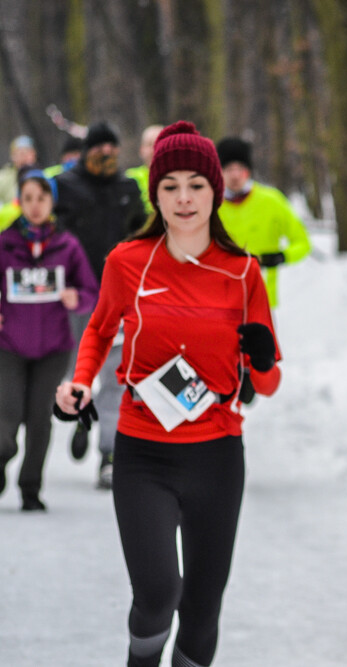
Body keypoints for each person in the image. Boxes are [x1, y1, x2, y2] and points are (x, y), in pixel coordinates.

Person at [54, 120, 281, 667]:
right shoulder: (128, 262)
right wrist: (81, 383)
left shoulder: (242, 272)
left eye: (196, 185)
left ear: (215, 191)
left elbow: (268, 384)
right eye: (170, 185)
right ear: (155, 193)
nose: (184, 198)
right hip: (144, 452)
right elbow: (100, 330)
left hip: (217, 456)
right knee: (157, 596)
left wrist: (263, 356)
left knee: (202, 610)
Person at [54, 121, 148, 487]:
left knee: (115, 379)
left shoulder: (128, 188)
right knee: (79, 373)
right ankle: (82, 417)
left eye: (113, 148)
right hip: (76, 299)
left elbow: (142, 235)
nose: (107, 153)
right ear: (86, 151)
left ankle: (108, 453)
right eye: (100, 148)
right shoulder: (65, 187)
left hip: (119, 298)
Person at [0, 170, 98, 510]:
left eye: (41, 198)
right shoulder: (5, 242)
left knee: (40, 420)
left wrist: (77, 298)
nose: (35, 205)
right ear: (20, 202)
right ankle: (0, 462)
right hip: (9, 346)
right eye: (28, 198)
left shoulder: (67, 245)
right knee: (6, 417)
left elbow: (90, 291)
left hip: (53, 348)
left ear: (51, 201)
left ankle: (30, 488)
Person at [215, 136, 311, 307]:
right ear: (219, 171)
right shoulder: (210, 205)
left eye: (241, 168)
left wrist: (281, 257)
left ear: (249, 171)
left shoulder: (271, 200)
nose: (235, 175)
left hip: (263, 303)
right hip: (220, 303)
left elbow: (303, 243)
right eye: (229, 168)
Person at [126, 124, 164, 215]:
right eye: (150, 144)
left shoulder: (180, 179)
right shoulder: (130, 178)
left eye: (160, 144)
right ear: (141, 150)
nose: (155, 149)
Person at [0, 135, 38, 205]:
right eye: (21, 153)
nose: (25, 157)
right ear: (12, 156)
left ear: (34, 155)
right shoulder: (3, 178)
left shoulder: (42, 175)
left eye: (28, 152)